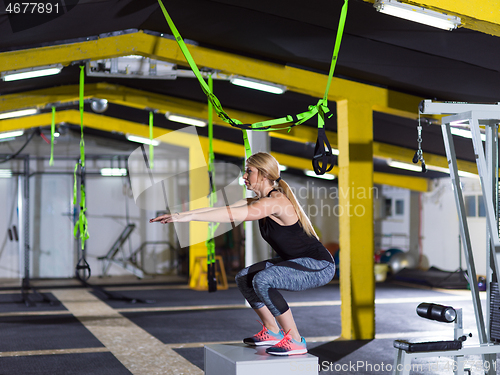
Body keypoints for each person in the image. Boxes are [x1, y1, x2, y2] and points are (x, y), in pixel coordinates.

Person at [150, 152, 336, 356]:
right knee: (245, 278)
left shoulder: (275, 201)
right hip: (299, 261)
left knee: (263, 280)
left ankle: (295, 340)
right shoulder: (258, 200)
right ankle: (273, 331)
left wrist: (189, 217)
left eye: (249, 171)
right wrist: (180, 215)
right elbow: (224, 208)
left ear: (264, 175)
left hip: (319, 266)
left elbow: (232, 215)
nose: (244, 176)